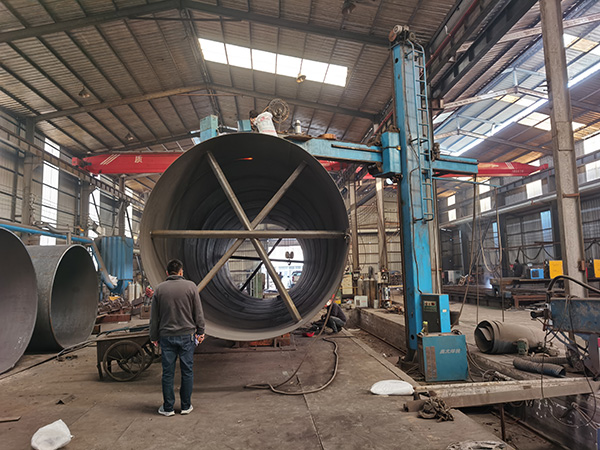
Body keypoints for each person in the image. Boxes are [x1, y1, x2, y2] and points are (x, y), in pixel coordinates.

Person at [150, 259, 205, 417]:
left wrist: (153, 336)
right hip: (187, 336)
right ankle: (186, 406)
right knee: (187, 371)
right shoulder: (191, 287)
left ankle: (168, 408)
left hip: (166, 336)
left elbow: (154, 317)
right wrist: (200, 331)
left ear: (167, 273)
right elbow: (198, 312)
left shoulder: (159, 289)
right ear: (181, 272)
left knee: (168, 373)